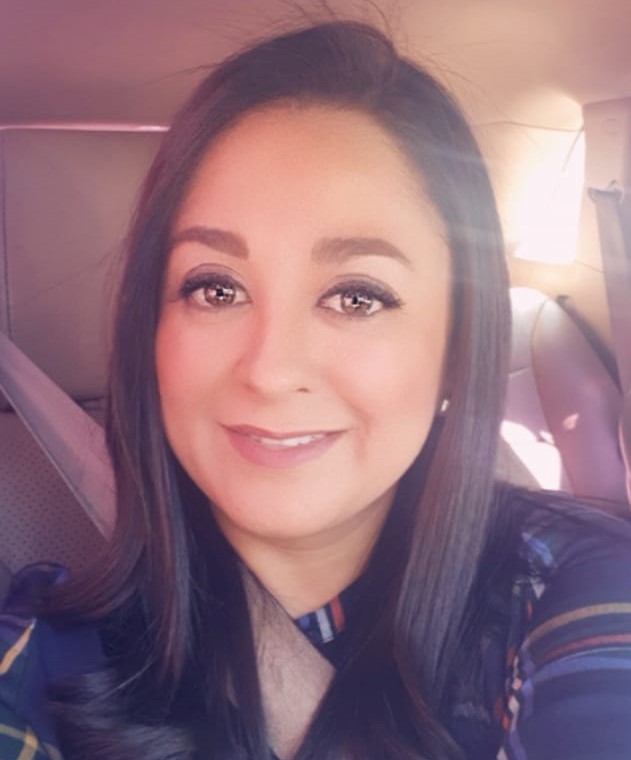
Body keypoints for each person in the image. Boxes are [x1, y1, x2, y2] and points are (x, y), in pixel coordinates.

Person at [1, 20, 631, 760]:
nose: (269, 369)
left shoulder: (580, 588)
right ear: (151, 331)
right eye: (216, 288)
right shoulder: (44, 650)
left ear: (459, 346)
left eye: (356, 296)